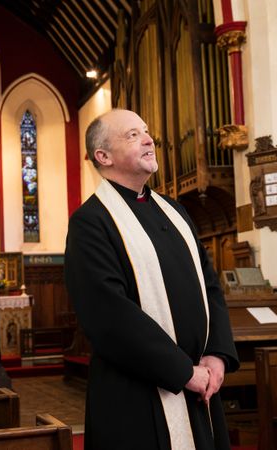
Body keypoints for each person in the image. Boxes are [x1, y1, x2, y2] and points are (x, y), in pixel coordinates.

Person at [64, 109, 239, 450]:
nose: (149, 140)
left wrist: (216, 355)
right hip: (137, 397)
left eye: (146, 131)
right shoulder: (91, 223)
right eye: (132, 135)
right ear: (103, 156)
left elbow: (210, 286)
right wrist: (184, 372)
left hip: (200, 388)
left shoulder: (175, 211)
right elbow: (109, 316)